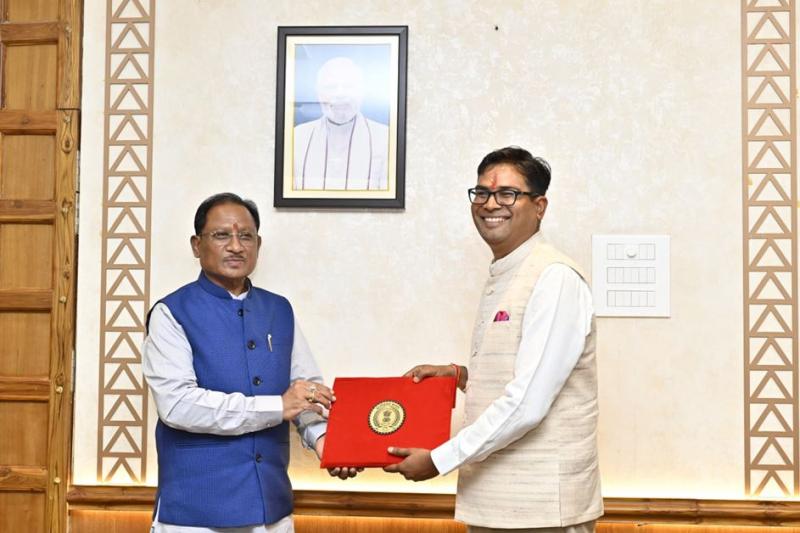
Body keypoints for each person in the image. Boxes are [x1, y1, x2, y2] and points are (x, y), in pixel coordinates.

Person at [384, 147, 602, 532]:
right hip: (494, 503)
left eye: (507, 194)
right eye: (482, 192)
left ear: (539, 206)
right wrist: (460, 376)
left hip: (541, 510)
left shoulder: (554, 277)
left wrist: (439, 459)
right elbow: (528, 374)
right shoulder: (507, 271)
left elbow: (528, 402)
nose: (490, 204)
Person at [142, 193, 358, 533]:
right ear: (197, 245)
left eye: (246, 236)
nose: (236, 246)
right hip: (195, 514)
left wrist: (326, 442)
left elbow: (306, 392)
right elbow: (178, 405)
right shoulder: (171, 313)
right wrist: (277, 406)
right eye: (221, 235)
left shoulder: (279, 309)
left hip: (272, 509)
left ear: (258, 244)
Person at [293, 56, 389, 191]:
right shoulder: (296, 137)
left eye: (348, 86)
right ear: (318, 94)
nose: (340, 94)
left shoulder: (386, 139)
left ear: (362, 92)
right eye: (331, 87)